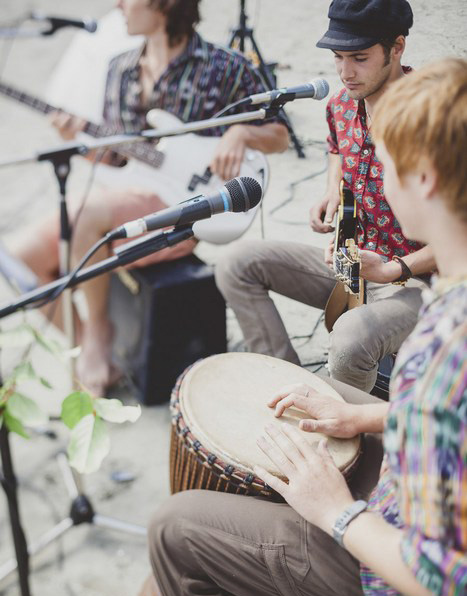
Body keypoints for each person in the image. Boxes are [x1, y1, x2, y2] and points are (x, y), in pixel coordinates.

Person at [138, 58, 467, 596]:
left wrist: (337, 514)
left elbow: (455, 585)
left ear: (424, 177)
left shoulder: (450, 342)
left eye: (390, 163)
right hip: (411, 481)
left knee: (173, 529)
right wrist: (367, 416)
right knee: (291, 407)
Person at [7, 0, 288, 396]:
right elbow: (120, 156)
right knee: (18, 258)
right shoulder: (119, 67)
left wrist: (241, 133)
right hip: (131, 196)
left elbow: (279, 135)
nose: (117, 5)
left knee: (84, 214)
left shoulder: (226, 66)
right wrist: (84, 144)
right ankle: (94, 347)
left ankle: (99, 337)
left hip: (191, 208)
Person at [215, 0, 436, 394]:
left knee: (351, 338)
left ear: (397, 47)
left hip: (417, 282)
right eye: (337, 57)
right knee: (236, 262)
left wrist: (392, 269)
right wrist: (331, 192)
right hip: (353, 267)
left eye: (360, 58)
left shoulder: (436, 120)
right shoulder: (340, 104)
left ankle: (353, 443)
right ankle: (290, 393)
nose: (345, 72)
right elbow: (338, 147)